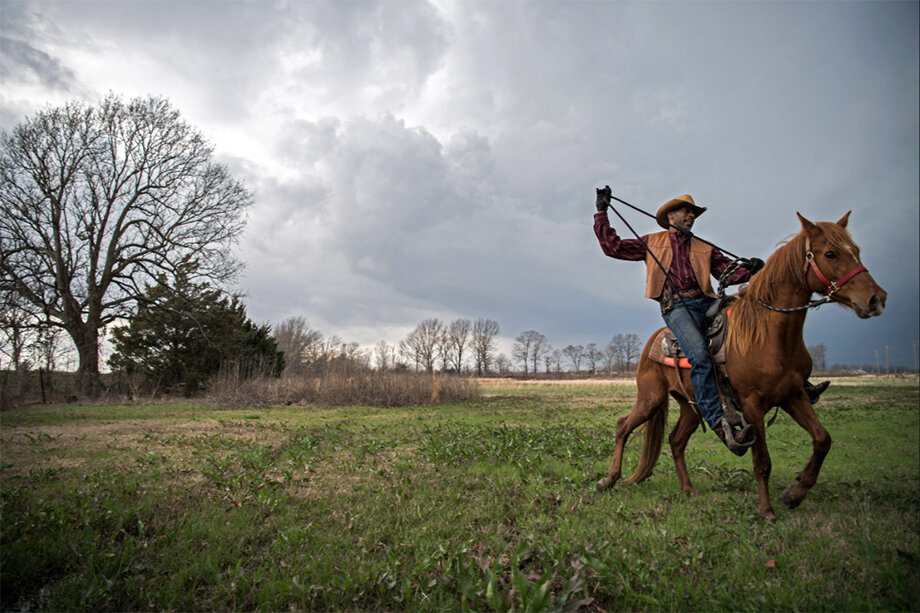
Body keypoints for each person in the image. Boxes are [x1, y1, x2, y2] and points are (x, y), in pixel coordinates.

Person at [593, 187, 828, 455]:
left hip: (705, 301)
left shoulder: (703, 247)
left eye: (693, 213)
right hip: (677, 307)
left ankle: (797, 383)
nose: (691, 216)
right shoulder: (652, 242)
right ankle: (718, 420)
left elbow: (728, 272)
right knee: (701, 358)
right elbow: (613, 248)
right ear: (671, 215)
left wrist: (752, 270)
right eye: (685, 211)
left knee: (752, 322)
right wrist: (602, 213)